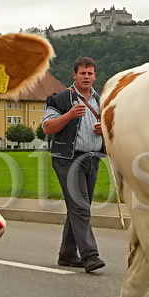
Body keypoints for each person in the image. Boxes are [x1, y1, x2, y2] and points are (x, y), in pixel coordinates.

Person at [42, 57, 106, 273]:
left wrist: (103, 130)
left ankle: (68, 254)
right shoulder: (60, 99)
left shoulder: (101, 101)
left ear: (95, 75)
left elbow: (109, 128)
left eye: (90, 73)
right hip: (68, 159)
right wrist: (69, 116)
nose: (86, 77)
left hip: (92, 159)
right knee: (80, 206)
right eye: (82, 73)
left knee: (77, 208)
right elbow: (48, 127)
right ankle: (90, 255)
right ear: (74, 75)